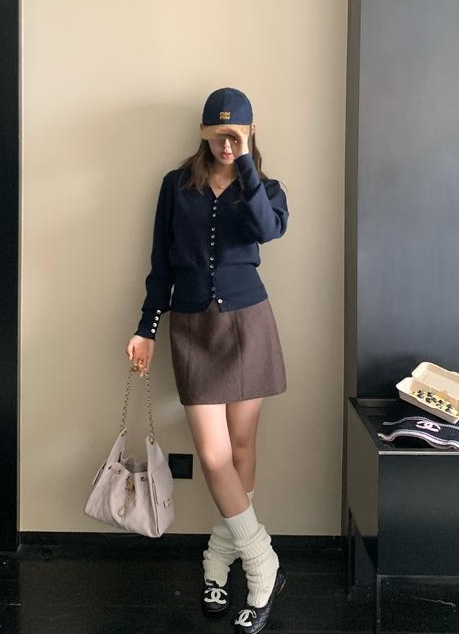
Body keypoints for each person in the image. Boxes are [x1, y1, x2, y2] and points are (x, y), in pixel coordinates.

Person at [124, 87, 289, 634]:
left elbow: (268, 231)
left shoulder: (265, 188)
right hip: (193, 327)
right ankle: (262, 561)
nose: (226, 143)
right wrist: (146, 328)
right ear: (203, 133)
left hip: (249, 325)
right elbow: (161, 262)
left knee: (241, 449)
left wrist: (245, 165)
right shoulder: (176, 186)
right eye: (219, 135)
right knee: (215, 455)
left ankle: (218, 557)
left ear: (250, 132)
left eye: (235, 134)